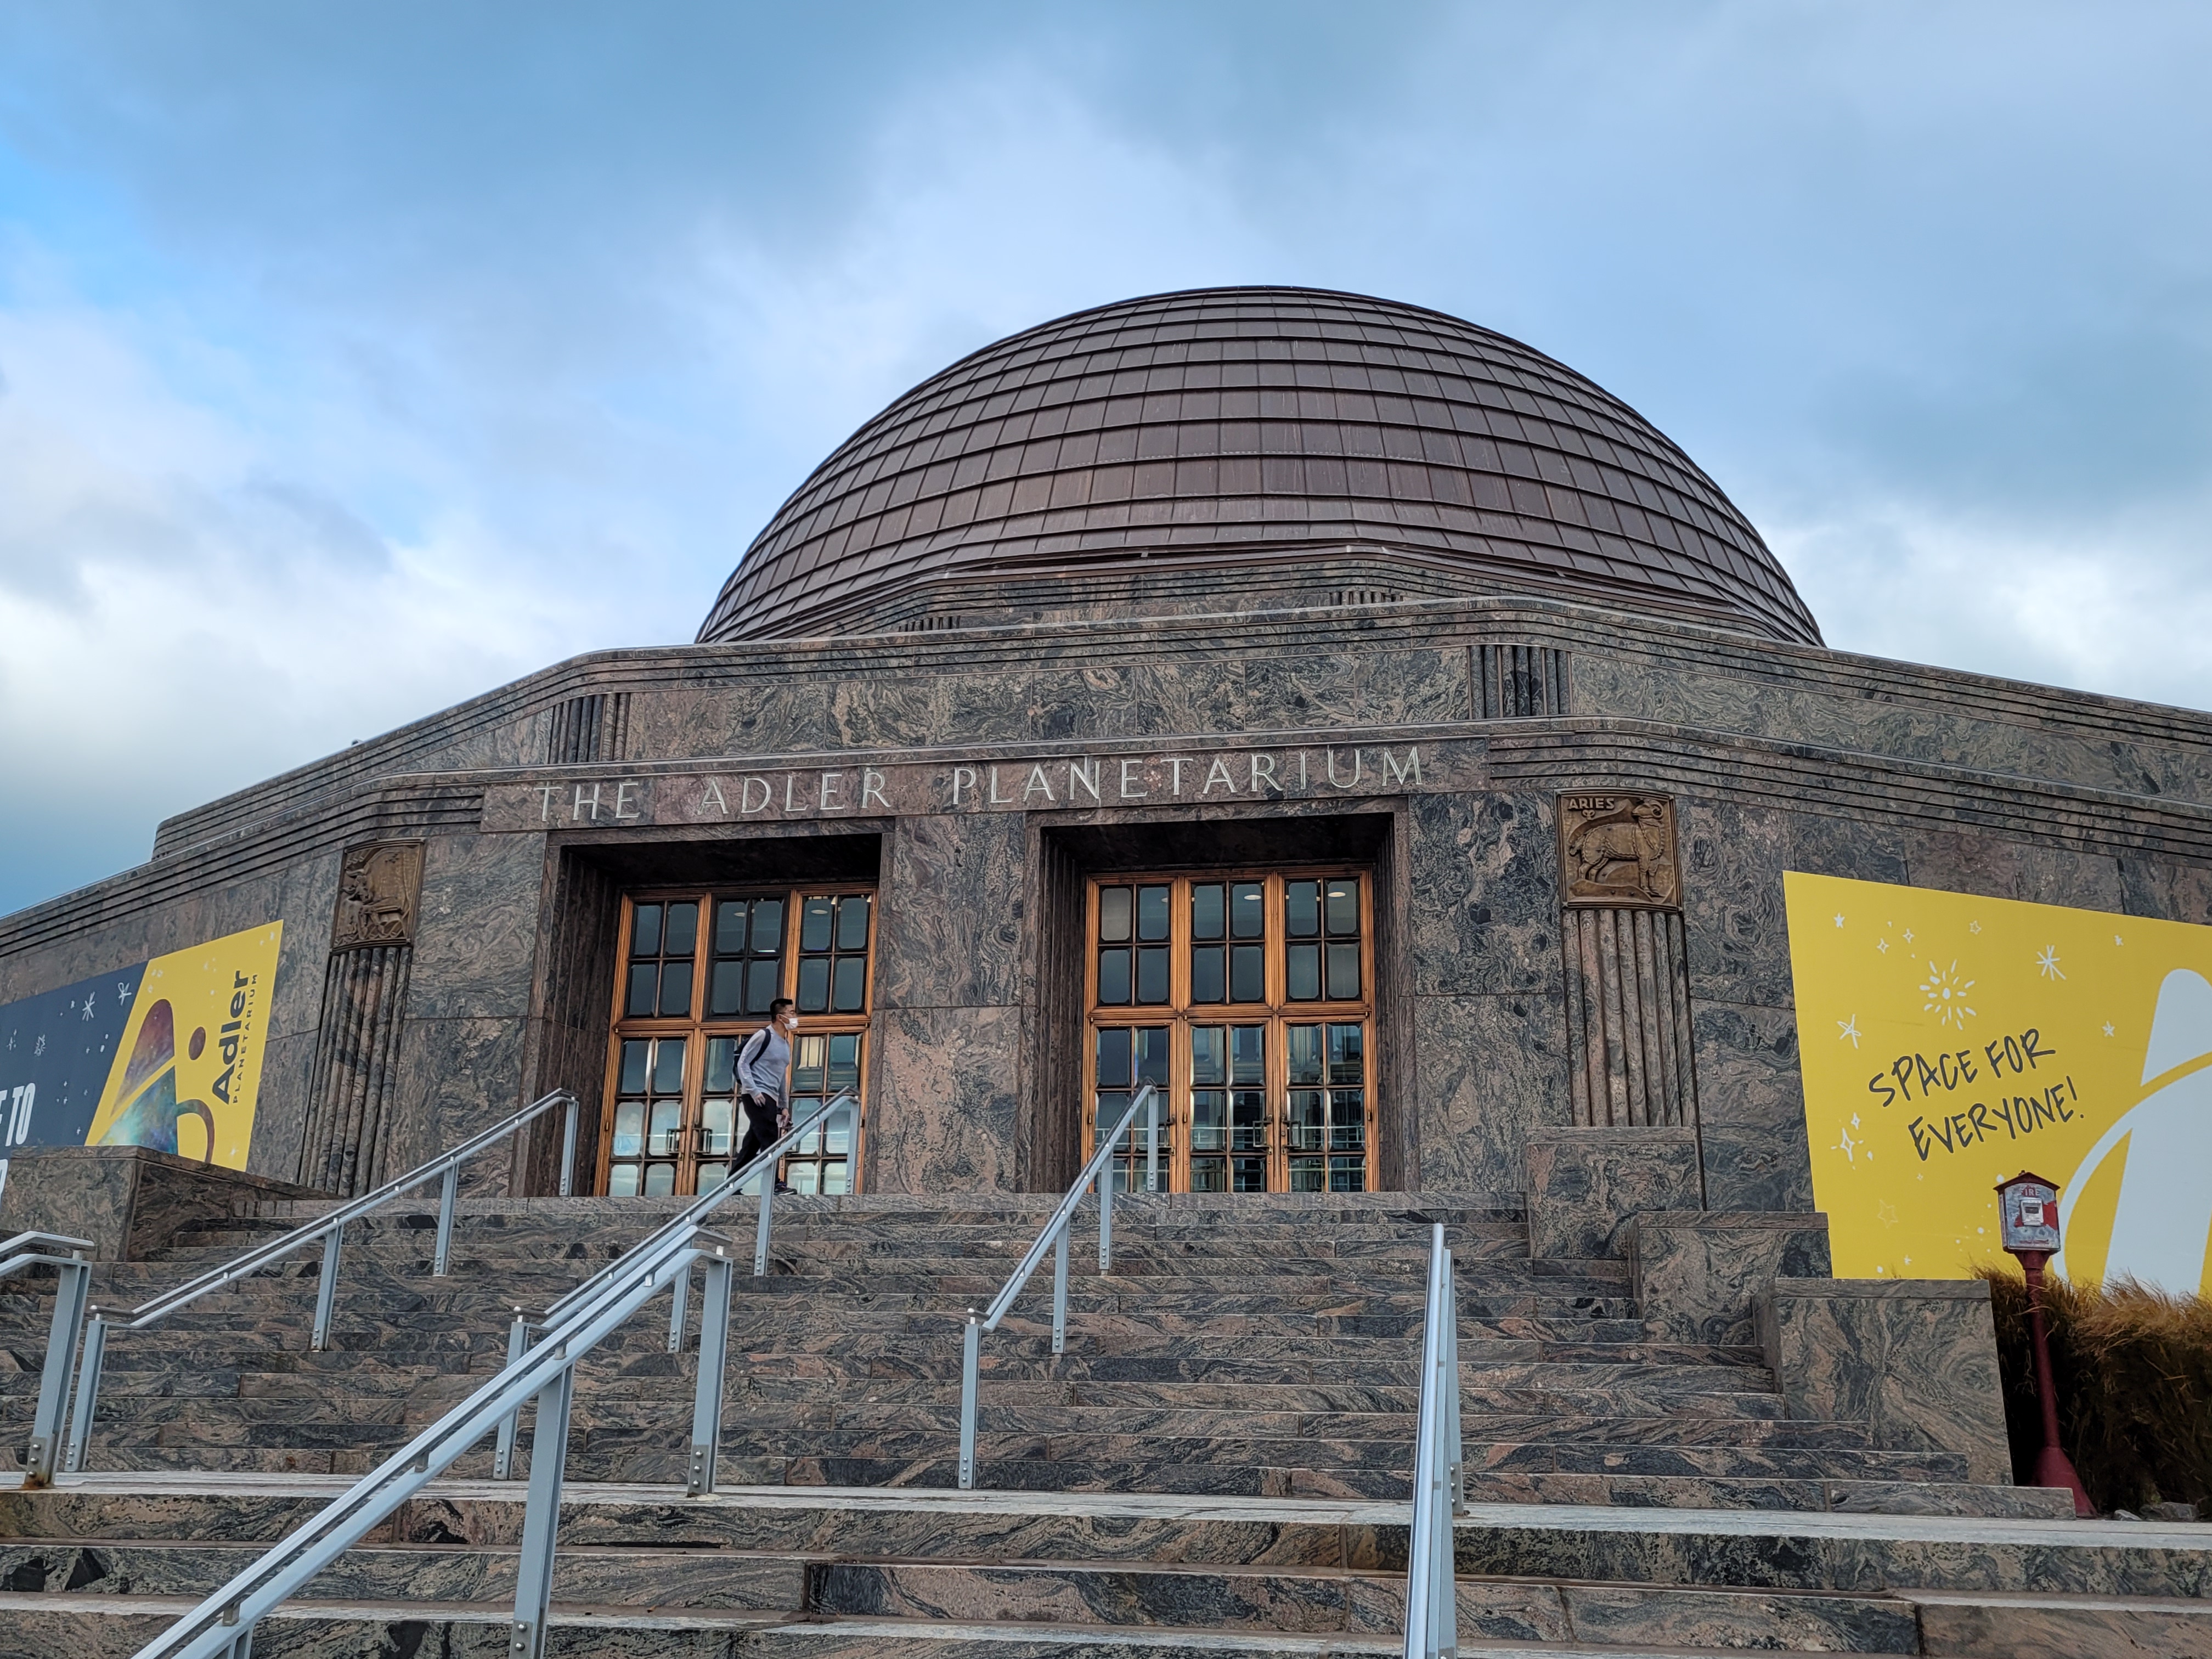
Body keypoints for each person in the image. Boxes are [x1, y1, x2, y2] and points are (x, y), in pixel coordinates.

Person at [734, 997, 799, 1194]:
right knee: (770, 1138)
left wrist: (784, 1105)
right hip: (756, 1096)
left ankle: (729, 1185)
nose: (795, 1017)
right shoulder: (763, 1036)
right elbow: (743, 1063)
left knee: (752, 1144)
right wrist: (753, 1091)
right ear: (780, 1017)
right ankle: (775, 1185)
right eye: (791, 1012)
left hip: (770, 1096)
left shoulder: (785, 1044)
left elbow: (781, 1076)